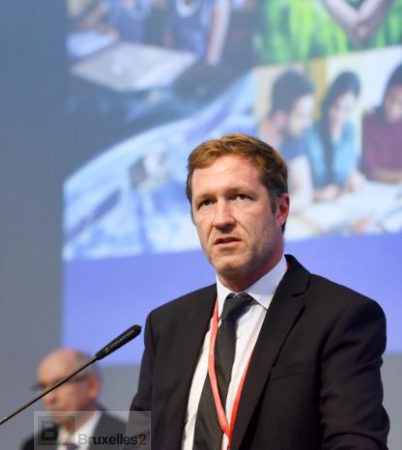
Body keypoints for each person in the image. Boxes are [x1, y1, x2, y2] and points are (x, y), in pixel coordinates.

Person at [126, 133, 389, 449]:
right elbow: (138, 440)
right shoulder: (166, 325)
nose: (221, 219)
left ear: (281, 209)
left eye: (239, 197)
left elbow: (355, 442)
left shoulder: (340, 317)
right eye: (206, 202)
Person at [21, 348, 126, 450]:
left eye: (59, 383)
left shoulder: (129, 440)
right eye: (43, 386)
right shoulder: (32, 446)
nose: (49, 397)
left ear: (92, 386)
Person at [255, 70, 315, 211]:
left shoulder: (294, 138)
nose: (307, 124)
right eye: (301, 116)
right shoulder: (244, 140)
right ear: (280, 115)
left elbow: (305, 194)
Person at [307, 71, 364, 201]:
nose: (339, 115)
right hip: (315, 206)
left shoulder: (349, 130)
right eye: (336, 106)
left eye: (347, 109)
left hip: (342, 201)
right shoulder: (309, 134)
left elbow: (349, 168)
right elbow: (293, 186)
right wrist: (317, 194)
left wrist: (354, 177)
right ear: (329, 101)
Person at [362, 63, 402, 183]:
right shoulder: (369, 118)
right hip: (373, 190)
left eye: (401, 104)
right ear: (385, 92)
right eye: (391, 98)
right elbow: (371, 172)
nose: (394, 108)